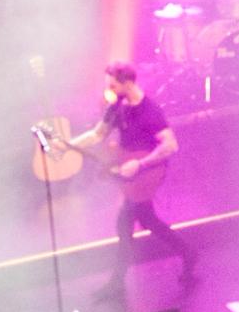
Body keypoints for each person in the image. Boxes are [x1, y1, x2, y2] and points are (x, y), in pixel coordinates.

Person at [65, 60, 193, 294]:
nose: (109, 91)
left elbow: (170, 145)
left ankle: (116, 284)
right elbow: (97, 135)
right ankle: (188, 254)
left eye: (113, 86)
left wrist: (140, 163)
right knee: (147, 220)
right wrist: (68, 145)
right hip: (130, 172)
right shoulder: (116, 107)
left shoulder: (149, 110)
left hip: (147, 172)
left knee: (124, 223)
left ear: (128, 83)